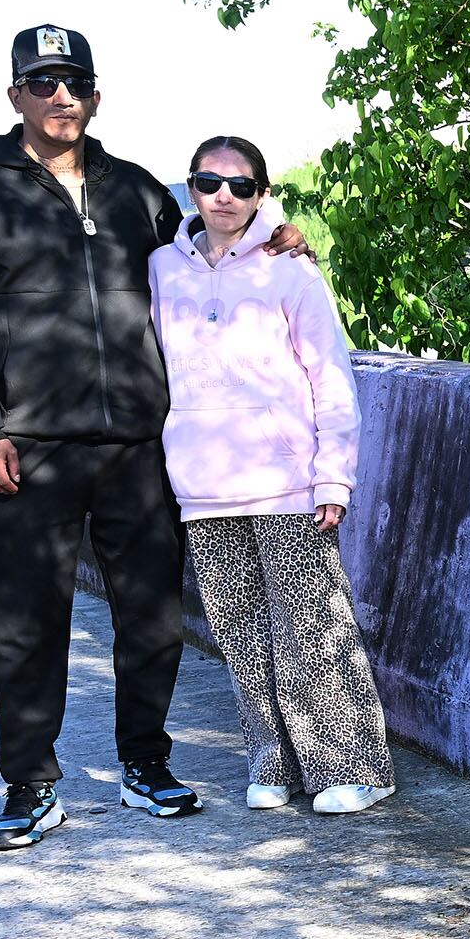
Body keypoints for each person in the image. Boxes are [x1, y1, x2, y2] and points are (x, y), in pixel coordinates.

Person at [0, 24, 300, 852]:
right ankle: (30, 785)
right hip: (27, 449)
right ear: (16, 94)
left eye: (75, 83)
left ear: (96, 96)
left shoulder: (136, 191)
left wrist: (276, 237)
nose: (61, 97)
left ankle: (145, 764)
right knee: (25, 625)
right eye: (43, 82)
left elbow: (208, 250)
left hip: (139, 446)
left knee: (154, 618)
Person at [151, 137, 396, 815]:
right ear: (191, 189)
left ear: (262, 194)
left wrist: (333, 477)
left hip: (288, 481)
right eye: (209, 182)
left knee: (312, 631)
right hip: (203, 485)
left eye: (240, 185)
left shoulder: (290, 270)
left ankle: (355, 767)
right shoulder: (161, 269)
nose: (223, 196)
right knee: (240, 636)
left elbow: (331, 377)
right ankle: (273, 761)